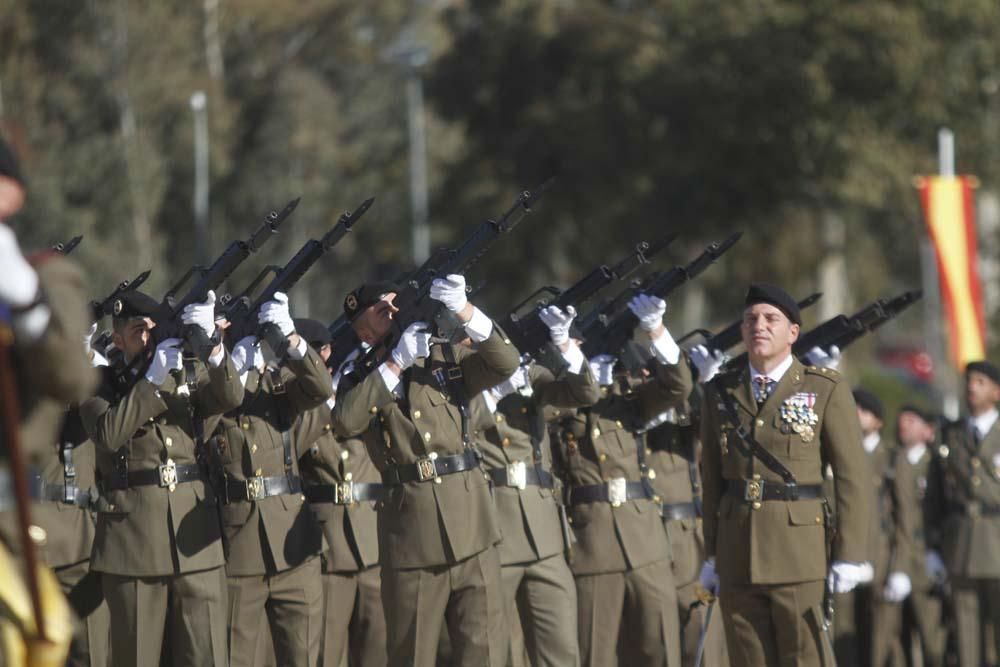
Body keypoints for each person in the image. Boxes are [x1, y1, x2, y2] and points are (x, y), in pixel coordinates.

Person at [332, 275, 520, 666]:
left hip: (473, 528)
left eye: (391, 307)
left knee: (484, 653)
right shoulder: (360, 379)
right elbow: (346, 421)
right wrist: (396, 362)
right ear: (363, 334)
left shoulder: (445, 357)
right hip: (411, 538)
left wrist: (464, 311)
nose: (390, 316)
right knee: (412, 654)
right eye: (377, 315)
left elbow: (506, 362)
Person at [699, 283, 872, 667]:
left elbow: (851, 476)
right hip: (737, 552)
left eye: (770, 319)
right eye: (750, 319)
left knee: (804, 659)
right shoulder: (719, 392)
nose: (758, 326)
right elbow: (711, 479)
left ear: (793, 333)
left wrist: (851, 553)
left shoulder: (823, 387)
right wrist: (710, 552)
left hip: (799, 553)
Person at [80, 289, 244, 666]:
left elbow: (232, 396)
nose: (148, 337)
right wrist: (151, 382)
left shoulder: (184, 371)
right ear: (117, 339)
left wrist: (213, 347)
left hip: (196, 540)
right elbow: (107, 434)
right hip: (133, 544)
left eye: (153, 328)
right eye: (138, 330)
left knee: (207, 656)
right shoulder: (97, 383)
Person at [552, 293, 692, 666]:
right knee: (594, 654)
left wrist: (656, 331)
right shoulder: (557, 399)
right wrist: (578, 375)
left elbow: (678, 388)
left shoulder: (627, 397)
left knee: (660, 649)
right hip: (592, 545)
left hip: (645, 542)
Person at [478, 305, 600, 666]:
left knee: (560, 649)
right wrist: (493, 393)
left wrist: (565, 345)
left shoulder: (532, 375)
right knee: (495, 650)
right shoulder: (463, 381)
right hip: (492, 529)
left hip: (544, 530)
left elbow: (584, 394)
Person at [212, 295, 329, 667]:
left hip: (294, 549)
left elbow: (322, 390)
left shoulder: (279, 383)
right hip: (237, 548)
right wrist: (231, 369)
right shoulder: (209, 387)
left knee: (304, 658)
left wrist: (292, 339)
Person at [293, 318, 387, 667]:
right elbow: (292, 449)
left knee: (378, 650)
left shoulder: (369, 401)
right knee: (326, 654)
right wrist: (322, 400)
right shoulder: (305, 408)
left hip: (373, 545)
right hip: (327, 548)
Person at [925, 360, 1000, 667]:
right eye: (969, 381)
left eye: (980, 382)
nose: (971, 387)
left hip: (996, 542)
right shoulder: (950, 435)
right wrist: (932, 546)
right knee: (966, 635)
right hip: (960, 544)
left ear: (996, 392)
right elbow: (934, 495)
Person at [896, 404, 947, 667]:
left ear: (927, 430)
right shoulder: (895, 461)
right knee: (895, 642)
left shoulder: (935, 465)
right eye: (902, 420)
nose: (904, 425)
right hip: (896, 562)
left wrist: (938, 552)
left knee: (932, 640)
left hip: (927, 558)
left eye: (912, 420)